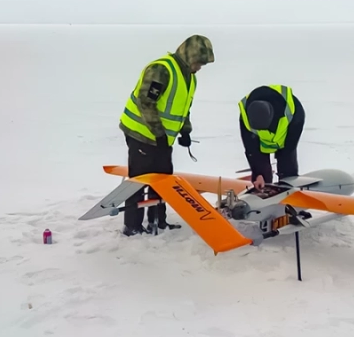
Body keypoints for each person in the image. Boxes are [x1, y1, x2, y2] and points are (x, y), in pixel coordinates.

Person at [118, 34, 215, 236]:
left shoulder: (189, 78)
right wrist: (159, 134)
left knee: (163, 180)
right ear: (189, 56)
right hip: (141, 133)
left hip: (161, 139)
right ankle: (132, 227)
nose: (199, 68)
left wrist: (185, 130)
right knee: (139, 181)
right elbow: (146, 103)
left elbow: (183, 108)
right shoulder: (161, 70)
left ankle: (157, 222)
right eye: (198, 62)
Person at [238, 85, 305, 189]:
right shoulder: (245, 117)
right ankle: (263, 189)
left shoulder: (294, 112)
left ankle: (289, 189)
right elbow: (251, 148)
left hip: (287, 136)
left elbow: (289, 148)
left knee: (287, 166)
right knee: (261, 175)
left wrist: (286, 174)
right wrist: (259, 174)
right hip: (260, 143)